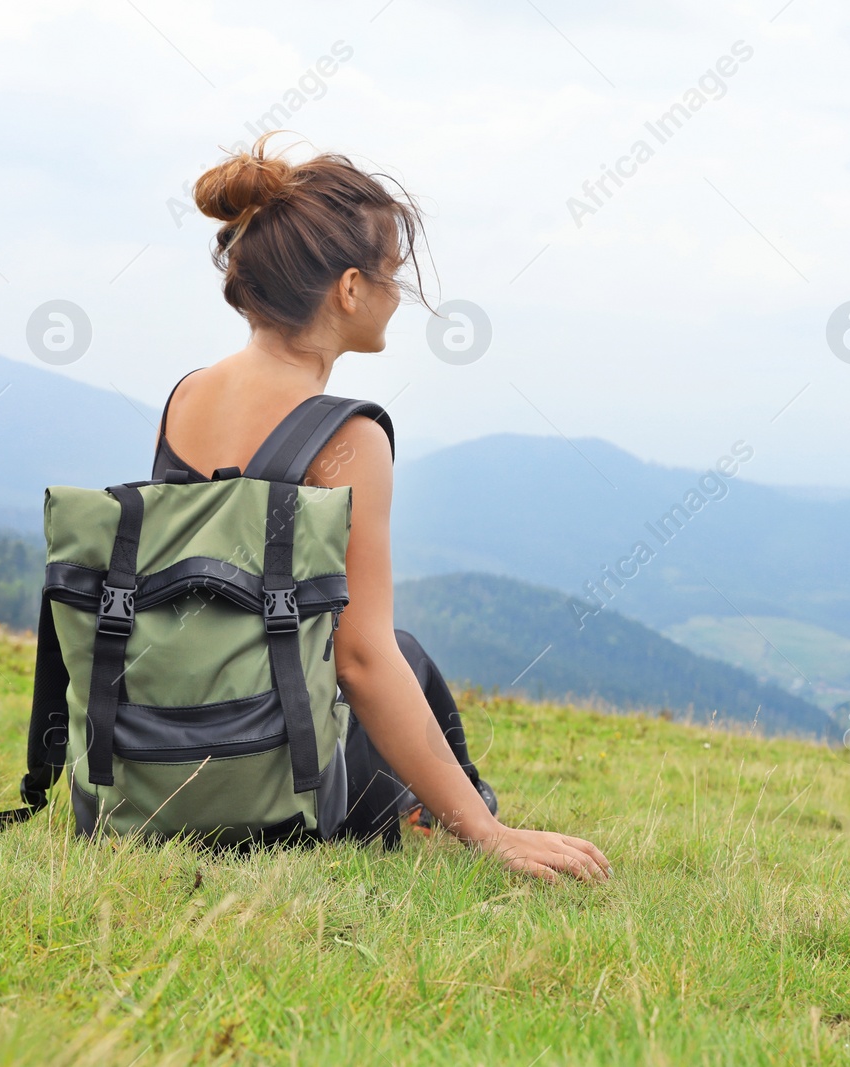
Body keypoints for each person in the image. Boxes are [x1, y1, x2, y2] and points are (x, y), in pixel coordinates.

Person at [152, 133, 609, 883]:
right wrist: (493, 835)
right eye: (393, 274)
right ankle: (453, 818)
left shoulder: (186, 395)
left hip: (168, 750)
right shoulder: (348, 434)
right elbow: (361, 659)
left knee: (401, 648)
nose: (401, 293)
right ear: (351, 288)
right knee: (399, 652)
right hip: (276, 779)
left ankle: (427, 813)